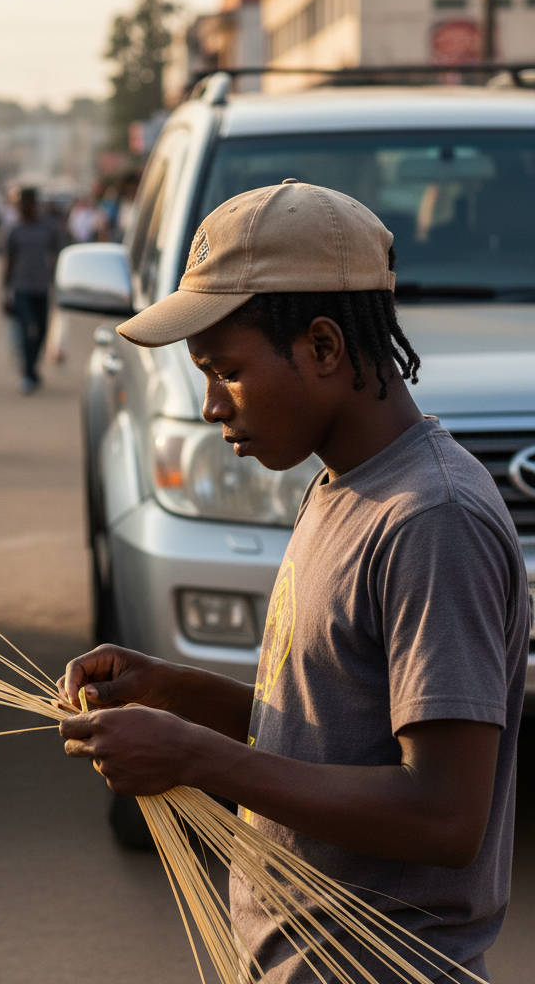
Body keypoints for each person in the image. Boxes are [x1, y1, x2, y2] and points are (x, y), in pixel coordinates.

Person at [58, 180, 529, 982]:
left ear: (322, 347)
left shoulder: (429, 520)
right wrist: (181, 696)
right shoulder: (341, 485)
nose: (211, 405)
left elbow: (445, 815)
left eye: (226, 371)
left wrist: (198, 759)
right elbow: (336, 740)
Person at [4, 187, 60, 393]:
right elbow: (8, 262)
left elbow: (56, 254)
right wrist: (5, 291)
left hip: (41, 287)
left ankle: (32, 366)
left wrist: (57, 281)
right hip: (21, 288)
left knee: (42, 330)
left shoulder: (47, 228)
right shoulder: (15, 231)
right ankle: (27, 373)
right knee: (29, 330)